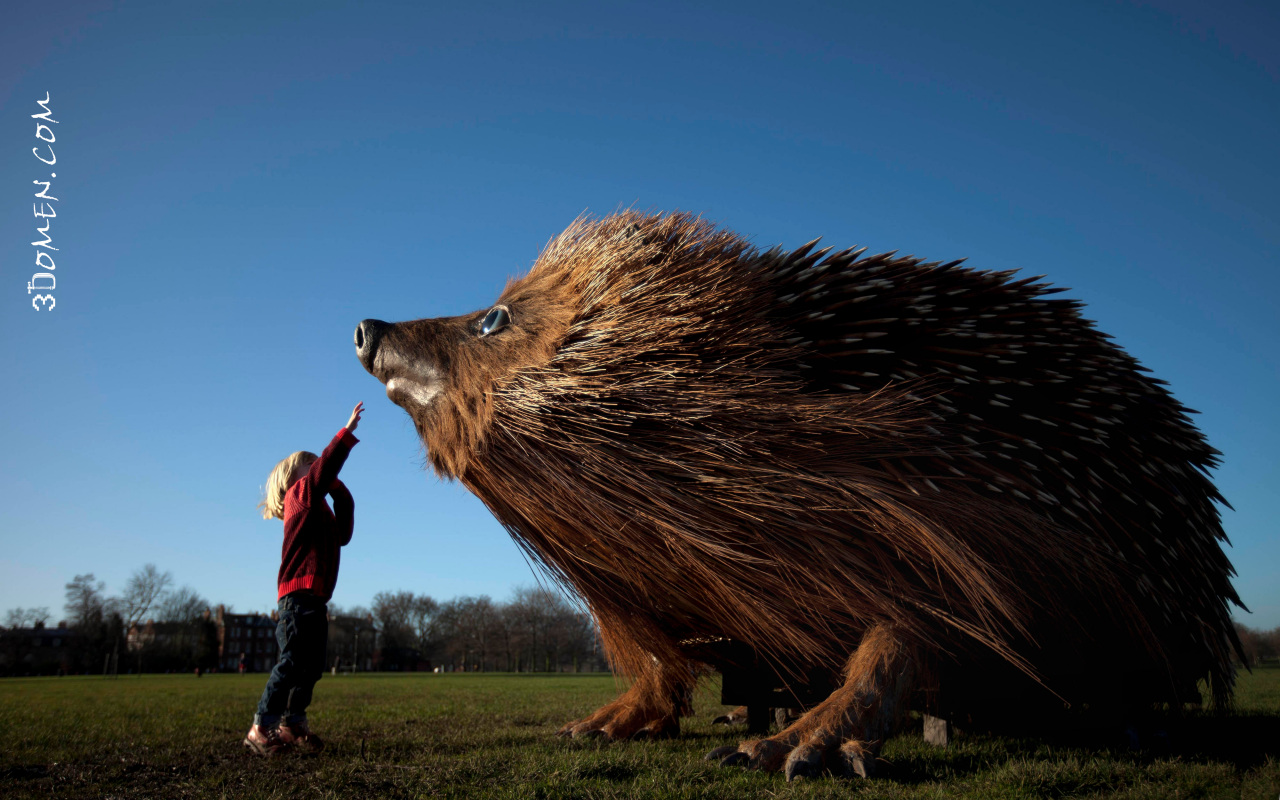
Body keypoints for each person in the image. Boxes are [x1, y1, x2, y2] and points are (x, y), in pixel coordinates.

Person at [243, 402, 363, 757]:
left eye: (315, 460)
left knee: (311, 667)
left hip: (316, 601)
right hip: (296, 600)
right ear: (291, 479)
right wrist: (344, 434)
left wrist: (341, 493)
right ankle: (260, 726)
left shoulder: (319, 508)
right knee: (293, 661)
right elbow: (322, 472)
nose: (315, 465)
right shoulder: (299, 497)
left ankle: (292, 723)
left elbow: (344, 533)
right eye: (307, 462)